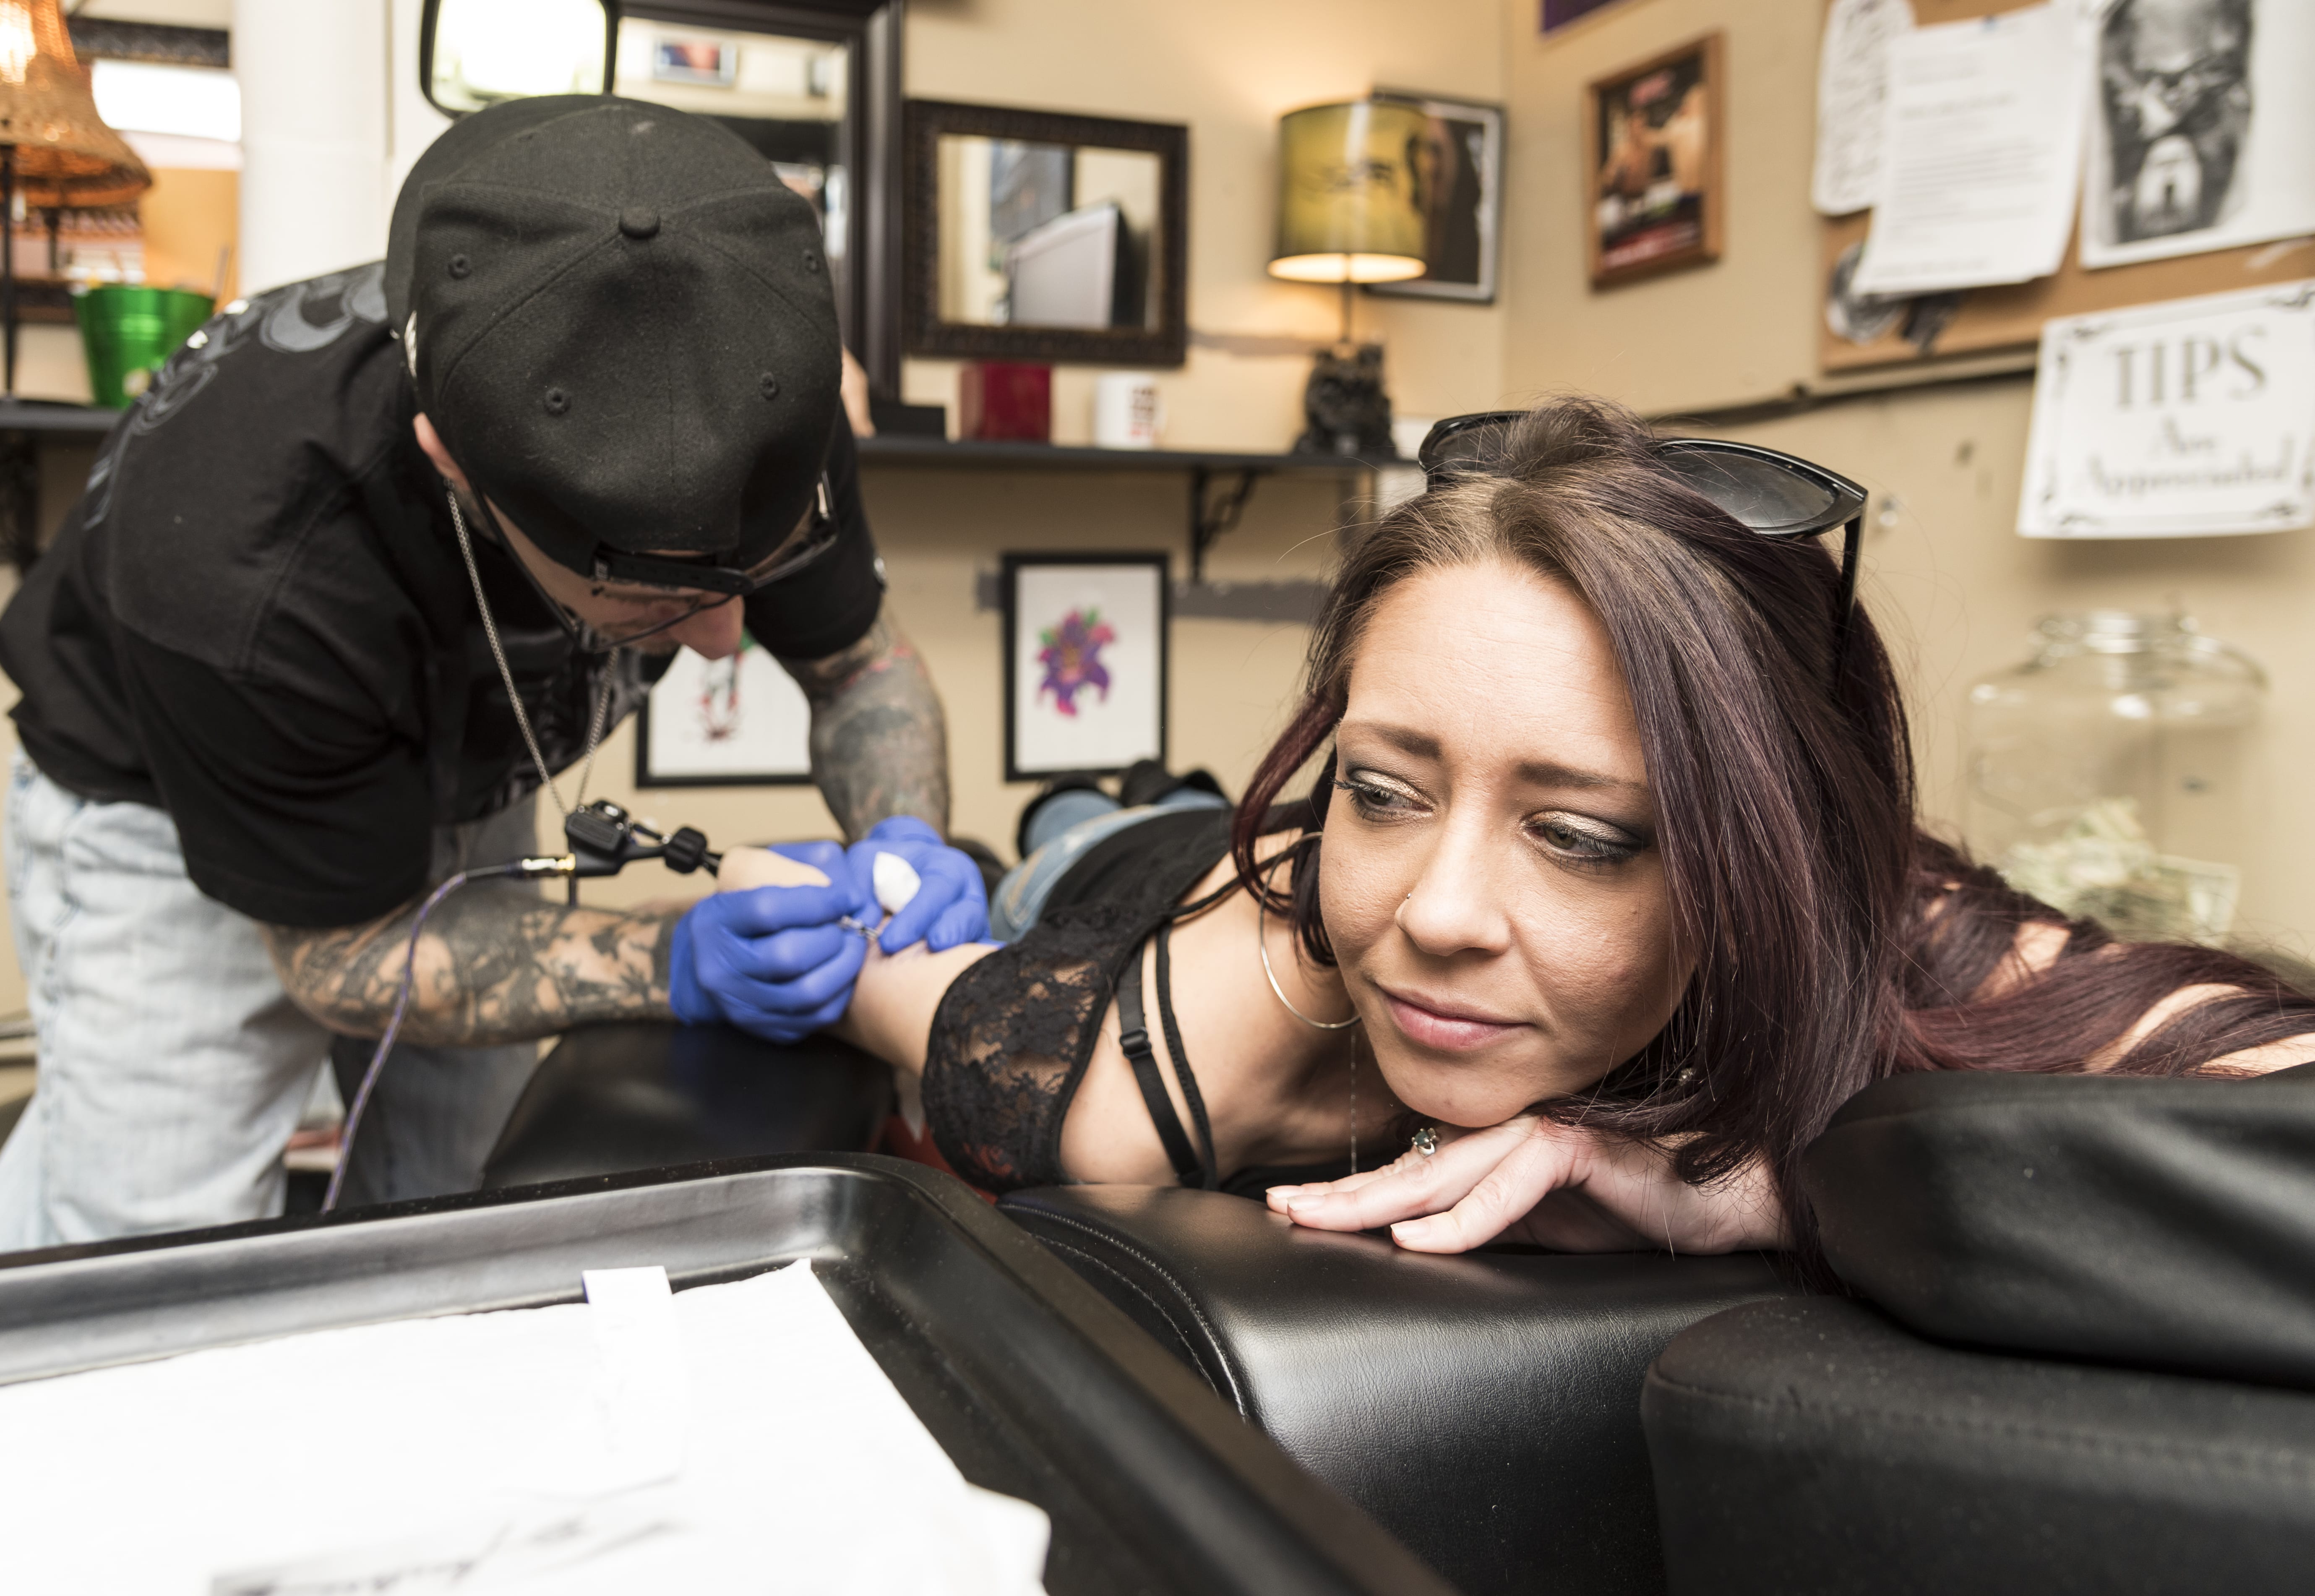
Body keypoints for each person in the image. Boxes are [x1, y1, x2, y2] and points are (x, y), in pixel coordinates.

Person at [731, 397, 2315, 1271]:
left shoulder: (1911, 930)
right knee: (1101, 826)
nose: (1437, 914)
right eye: (1386, 786)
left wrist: (1763, 1181)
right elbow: (874, 961)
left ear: (1771, 853)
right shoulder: (1205, 1047)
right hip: (1136, 881)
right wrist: (775, 919)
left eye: (1580, 834)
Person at [0, 98, 984, 1260]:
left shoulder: (757, 391)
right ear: (455, 464)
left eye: (757, 571)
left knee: (455, 1207)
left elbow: (864, 668)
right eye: (662, 604)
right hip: (177, 806)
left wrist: (909, 841)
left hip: (463, 769)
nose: (725, 641)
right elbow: (342, 959)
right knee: (147, 1269)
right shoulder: (252, 563)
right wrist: (670, 954)